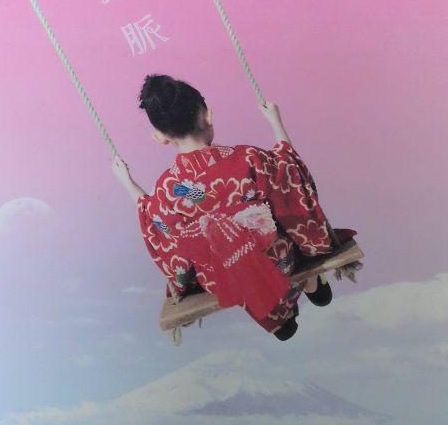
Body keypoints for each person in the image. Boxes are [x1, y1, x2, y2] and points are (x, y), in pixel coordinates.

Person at [111, 74, 354, 340]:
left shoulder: (168, 189)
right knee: (286, 222)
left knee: (263, 300)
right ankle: (310, 281)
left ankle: (281, 321)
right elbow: (289, 176)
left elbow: (155, 219)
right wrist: (276, 122)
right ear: (207, 116)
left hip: (228, 279)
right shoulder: (248, 158)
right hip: (278, 262)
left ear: (160, 137)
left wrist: (128, 183)